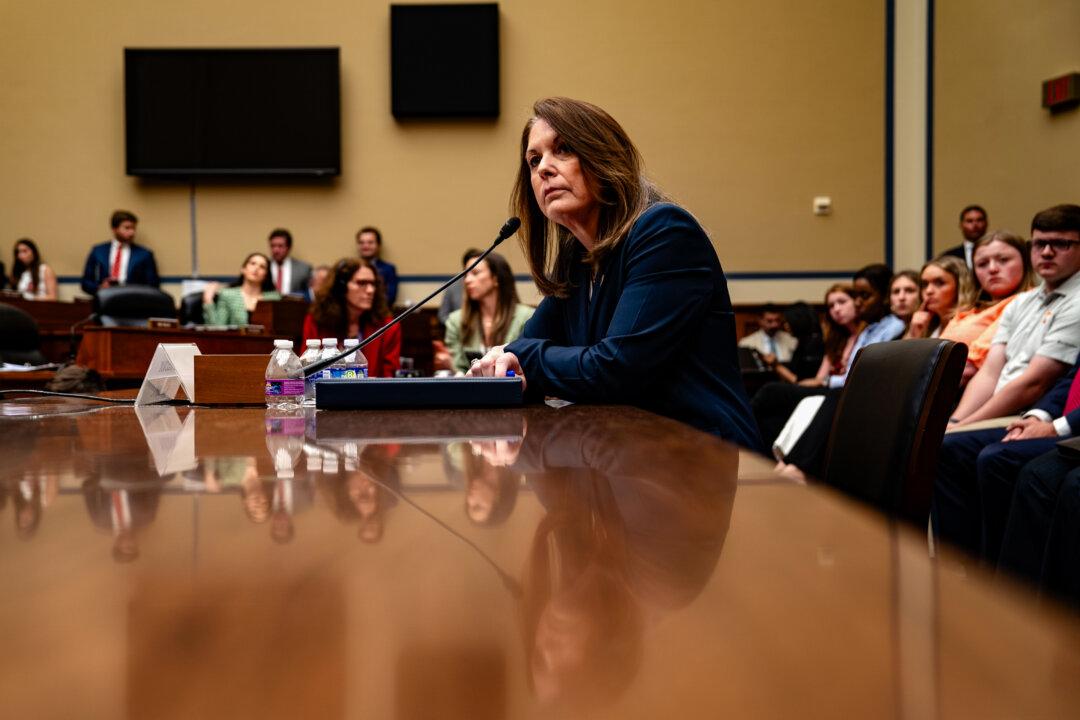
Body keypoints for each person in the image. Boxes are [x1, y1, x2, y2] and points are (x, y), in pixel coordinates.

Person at [466, 97, 758, 448]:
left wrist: (520, 357)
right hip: (625, 454)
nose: (543, 168)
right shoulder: (577, 260)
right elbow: (527, 346)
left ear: (603, 157)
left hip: (700, 455)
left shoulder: (665, 233)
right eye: (534, 159)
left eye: (563, 149)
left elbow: (616, 369)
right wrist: (508, 359)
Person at [934, 204, 1080, 557]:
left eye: (1061, 244)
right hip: (1004, 406)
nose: (1046, 252)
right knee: (941, 441)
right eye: (1039, 243)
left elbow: (1035, 383)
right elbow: (990, 371)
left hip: (1026, 408)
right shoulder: (1022, 303)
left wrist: (961, 427)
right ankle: (959, 562)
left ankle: (979, 566)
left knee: (950, 449)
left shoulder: (1077, 300)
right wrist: (956, 421)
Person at [940, 230, 1033, 380]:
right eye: (982, 264)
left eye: (1003, 260)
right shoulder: (971, 310)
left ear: (1025, 262)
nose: (992, 269)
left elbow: (970, 367)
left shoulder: (1026, 301)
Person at [302, 257, 401, 378]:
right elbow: (306, 368)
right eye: (362, 283)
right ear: (341, 287)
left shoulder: (388, 326)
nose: (370, 290)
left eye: (373, 284)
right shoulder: (316, 320)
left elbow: (389, 377)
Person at [444, 251, 533, 374]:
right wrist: (449, 363)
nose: (467, 280)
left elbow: (529, 364)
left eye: (475, 273)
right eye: (466, 274)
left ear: (496, 278)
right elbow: (459, 369)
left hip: (515, 388)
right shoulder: (456, 320)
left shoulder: (527, 317)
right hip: (470, 388)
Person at [80, 210, 160, 295]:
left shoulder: (145, 254)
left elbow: (153, 285)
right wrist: (100, 288)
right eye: (127, 228)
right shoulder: (98, 251)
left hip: (133, 302)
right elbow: (85, 283)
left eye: (133, 228)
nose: (132, 232)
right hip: (105, 300)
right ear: (114, 229)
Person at [201, 252, 281, 326]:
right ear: (243, 269)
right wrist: (208, 301)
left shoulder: (273, 298)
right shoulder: (228, 295)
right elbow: (217, 328)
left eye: (262, 267)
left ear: (266, 275)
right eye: (253, 263)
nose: (256, 268)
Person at [904, 255, 971, 338]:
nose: (929, 291)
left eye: (939, 283)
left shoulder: (971, 323)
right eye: (925, 284)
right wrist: (913, 334)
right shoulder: (927, 325)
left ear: (960, 286)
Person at [355, 226, 399, 307]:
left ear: (378, 245)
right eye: (361, 242)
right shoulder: (351, 269)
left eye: (370, 242)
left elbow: (390, 297)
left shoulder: (388, 269)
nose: (365, 246)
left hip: (379, 315)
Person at [438, 247, 483, 325]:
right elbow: (442, 316)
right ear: (465, 266)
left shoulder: (485, 285)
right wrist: (456, 326)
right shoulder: (453, 287)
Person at [266, 228, 312, 297]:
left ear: (289, 247)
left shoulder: (304, 269)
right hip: (267, 306)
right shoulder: (264, 266)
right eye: (273, 246)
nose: (276, 250)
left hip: (294, 306)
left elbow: (309, 294)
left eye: (280, 246)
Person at [942, 204, 989, 269]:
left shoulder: (996, 252)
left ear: (986, 223)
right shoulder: (949, 257)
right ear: (961, 225)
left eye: (979, 220)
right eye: (969, 221)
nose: (975, 225)